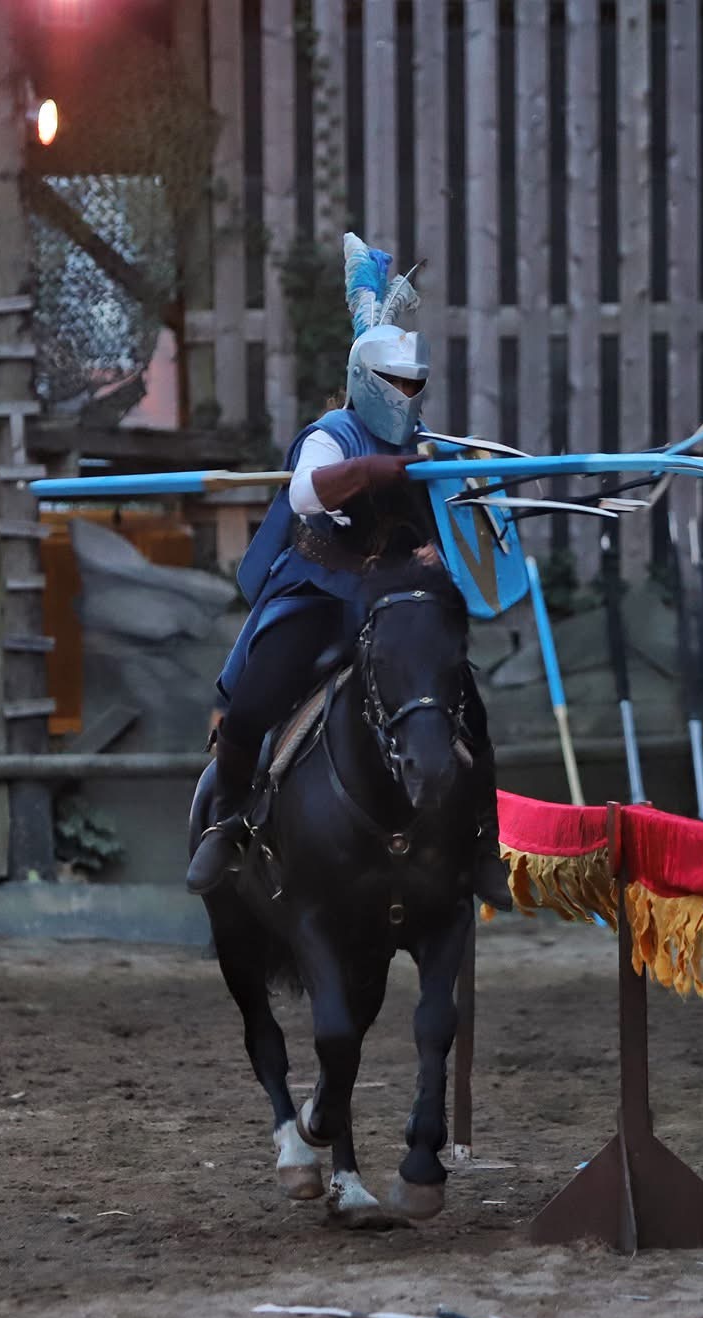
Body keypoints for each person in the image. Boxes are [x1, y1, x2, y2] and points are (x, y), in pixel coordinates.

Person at [187, 233, 511, 910]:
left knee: (464, 704)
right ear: (366, 380)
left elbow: (455, 527)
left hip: (394, 600)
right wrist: (372, 470)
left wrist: (439, 550)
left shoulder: (427, 445)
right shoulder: (330, 434)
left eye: (415, 384)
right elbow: (307, 494)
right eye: (396, 383)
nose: (406, 394)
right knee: (252, 704)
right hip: (322, 591)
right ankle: (229, 822)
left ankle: (484, 843)